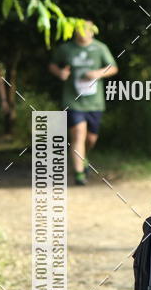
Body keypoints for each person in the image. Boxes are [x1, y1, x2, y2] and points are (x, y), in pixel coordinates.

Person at [48, 20, 118, 185]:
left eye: (87, 30)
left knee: (91, 139)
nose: (83, 33)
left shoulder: (100, 48)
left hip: (94, 102)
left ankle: (83, 157)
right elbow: (52, 65)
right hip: (73, 100)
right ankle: (79, 174)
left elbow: (113, 67)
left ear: (92, 32)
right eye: (80, 30)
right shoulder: (66, 49)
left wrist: (97, 73)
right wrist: (60, 73)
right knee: (78, 134)